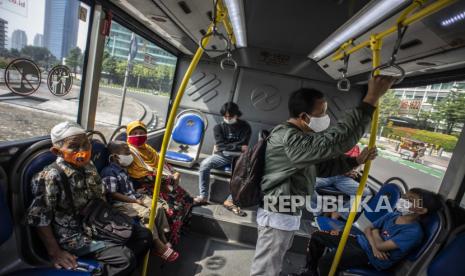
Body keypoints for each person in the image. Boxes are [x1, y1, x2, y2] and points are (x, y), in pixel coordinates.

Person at [250, 76, 395, 276]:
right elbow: (336, 141)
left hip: (283, 212)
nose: (326, 117)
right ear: (304, 116)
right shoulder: (290, 139)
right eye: (323, 113)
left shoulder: (299, 140)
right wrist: (370, 99)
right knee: (265, 269)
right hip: (277, 215)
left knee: (272, 263)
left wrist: (354, 162)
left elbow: (322, 167)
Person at [26, 122, 153, 275]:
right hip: (74, 236)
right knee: (125, 259)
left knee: (144, 236)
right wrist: (55, 252)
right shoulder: (51, 177)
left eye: (86, 144)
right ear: (57, 151)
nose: (83, 151)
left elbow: (100, 195)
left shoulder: (88, 165)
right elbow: (39, 218)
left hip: (97, 223)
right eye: (74, 146)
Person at [293, 188, 442, 276]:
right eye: (404, 197)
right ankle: (310, 272)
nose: (404, 200)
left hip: (371, 257)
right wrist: (375, 236)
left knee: (327, 262)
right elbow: (368, 229)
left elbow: (382, 248)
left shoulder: (413, 232)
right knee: (317, 236)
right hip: (361, 241)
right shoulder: (394, 215)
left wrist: (374, 235)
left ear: (421, 210)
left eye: (410, 200)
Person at [101, 141, 179, 262]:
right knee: (146, 214)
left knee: (157, 207)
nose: (130, 155)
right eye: (127, 152)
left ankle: (164, 238)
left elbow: (127, 187)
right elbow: (113, 194)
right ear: (115, 156)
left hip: (134, 196)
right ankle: (158, 245)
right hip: (121, 203)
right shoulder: (109, 171)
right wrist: (135, 201)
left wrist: (137, 193)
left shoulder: (124, 169)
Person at [125, 120, 193, 244]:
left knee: (187, 198)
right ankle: (170, 238)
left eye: (141, 132)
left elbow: (163, 164)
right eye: (134, 133)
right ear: (128, 135)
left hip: (164, 183)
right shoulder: (129, 152)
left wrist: (174, 172)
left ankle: (179, 229)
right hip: (146, 186)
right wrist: (171, 179)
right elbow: (143, 176)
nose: (138, 136)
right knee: (174, 208)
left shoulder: (148, 149)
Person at [193, 102, 252, 216]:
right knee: (204, 164)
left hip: (239, 157)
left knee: (247, 173)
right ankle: (203, 196)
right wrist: (237, 146)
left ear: (237, 115)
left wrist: (229, 146)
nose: (228, 119)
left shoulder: (245, 127)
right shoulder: (218, 127)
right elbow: (220, 145)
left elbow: (244, 144)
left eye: (230, 116)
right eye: (225, 116)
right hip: (222, 156)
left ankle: (230, 200)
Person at [311, 145, 373, 220]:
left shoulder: (356, 148)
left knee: (366, 193)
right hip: (327, 175)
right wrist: (343, 170)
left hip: (343, 178)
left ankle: (339, 214)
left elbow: (359, 165)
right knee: (304, 185)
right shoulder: (334, 144)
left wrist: (355, 171)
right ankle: (321, 212)